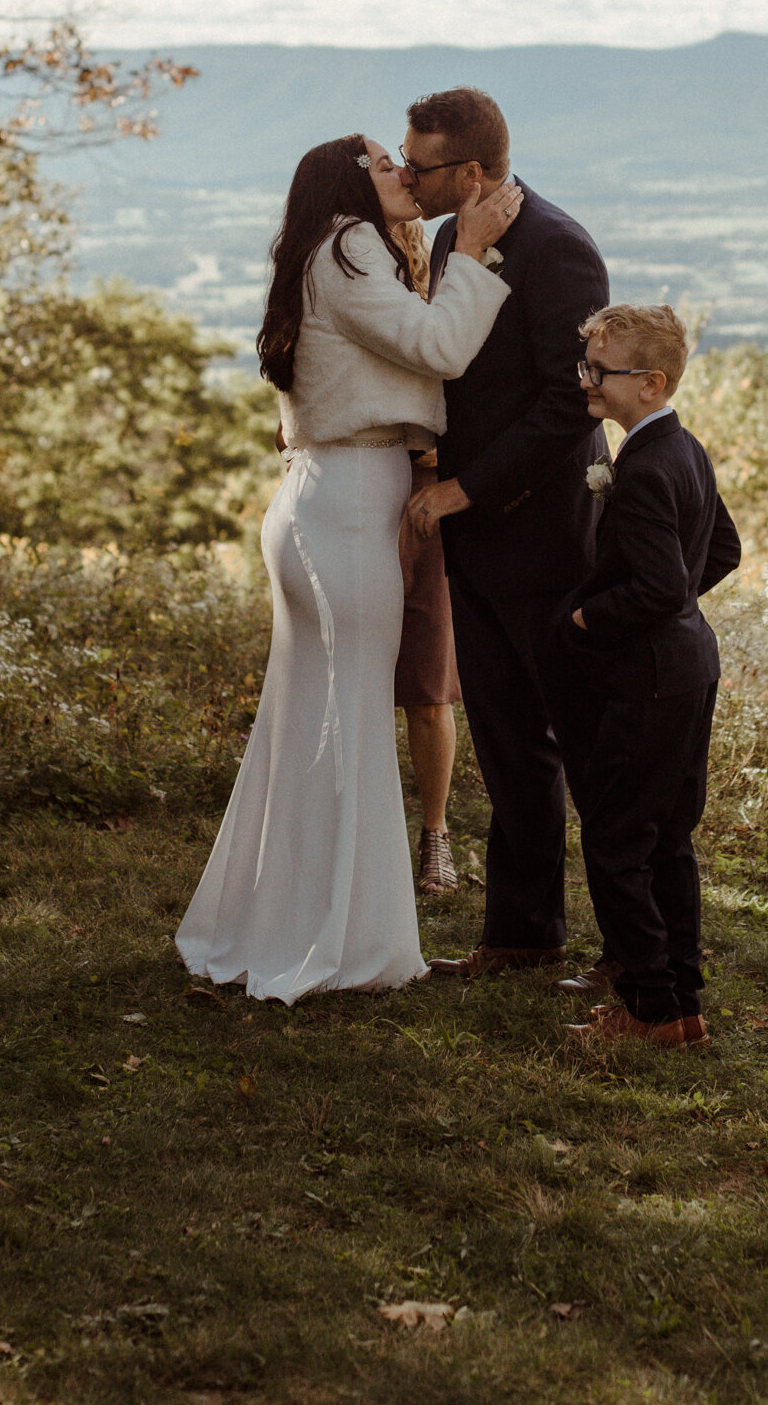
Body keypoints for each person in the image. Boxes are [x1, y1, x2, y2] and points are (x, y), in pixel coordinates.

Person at [175, 136, 518, 1003]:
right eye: (385, 165)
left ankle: (279, 921)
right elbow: (439, 349)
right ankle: (343, 943)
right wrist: (471, 253)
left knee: (308, 724)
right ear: (347, 186)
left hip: (318, 497)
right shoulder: (350, 243)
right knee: (352, 720)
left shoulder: (316, 251)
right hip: (352, 501)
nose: (405, 176)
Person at [401, 87, 609, 978]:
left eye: (421, 166)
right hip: (479, 535)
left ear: (472, 171)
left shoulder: (559, 249)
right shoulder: (455, 239)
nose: (408, 179)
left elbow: (571, 402)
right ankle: (523, 938)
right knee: (506, 743)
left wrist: (466, 491)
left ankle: (633, 949)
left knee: (583, 746)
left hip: (547, 534)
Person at [556, 303, 741, 1049]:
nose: (586, 381)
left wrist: (588, 620)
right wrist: (673, 614)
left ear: (651, 382)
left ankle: (646, 1009)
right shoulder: (686, 449)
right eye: (586, 365)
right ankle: (680, 1007)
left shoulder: (645, 464)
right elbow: (721, 550)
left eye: (600, 372)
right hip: (688, 665)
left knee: (615, 839)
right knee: (665, 839)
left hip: (648, 678)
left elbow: (663, 586)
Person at [392, 217, 463, 896]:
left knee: (429, 689)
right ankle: (361, 829)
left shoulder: (442, 329)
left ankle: (435, 836)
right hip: (360, 499)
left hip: (428, 505)